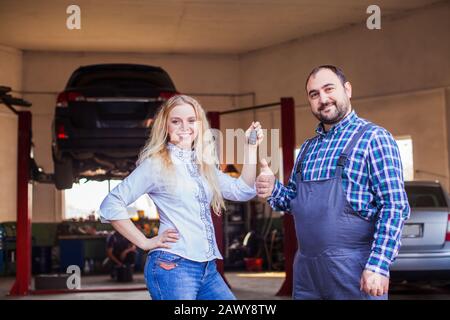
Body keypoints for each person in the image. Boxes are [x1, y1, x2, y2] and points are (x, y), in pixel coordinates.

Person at [255, 65, 410, 300]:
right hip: (307, 271)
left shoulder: (374, 138)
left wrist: (378, 265)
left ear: (347, 89)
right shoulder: (308, 149)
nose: (323, 99)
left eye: (329, 89)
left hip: (354, 269)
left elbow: (394, 206)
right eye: (314, 94)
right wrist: (273, 188)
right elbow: (293, 202)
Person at [99, 94, 263, 300]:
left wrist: (250, 148)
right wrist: (145, 242)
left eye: (191, 120)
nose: (185, 127)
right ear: (165, 127)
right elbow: (111, 204)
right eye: (176, 121)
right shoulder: (155, 164)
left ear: (199, 125)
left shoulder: (203, 164)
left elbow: (242, 190)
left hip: (208, 269)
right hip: (172, 266)